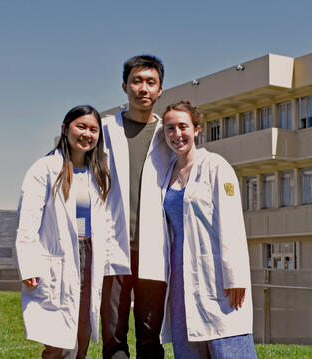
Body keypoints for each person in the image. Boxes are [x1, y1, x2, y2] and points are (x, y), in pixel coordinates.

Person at [15, 105, 115, 359]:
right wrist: (29, 266)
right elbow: (27, 220)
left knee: (82, 331)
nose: (87, 134)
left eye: (93, 130)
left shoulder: (99, 172)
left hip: (90, 255)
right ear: (64, 128)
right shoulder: (45, 169)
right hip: (59, 256)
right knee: (60, 338)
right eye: (81, 126)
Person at [161, 100, 258, 358]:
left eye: (183, 126)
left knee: (227, 343)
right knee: (188, 343)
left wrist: (235, 276)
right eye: (170, 128)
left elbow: (233, 222)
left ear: (197, 129)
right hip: (180, 274)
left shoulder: (216, 166)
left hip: (215, 273)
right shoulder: (166, 172)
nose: (177, 134)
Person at [101, 55, 174, 359]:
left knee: (150, 335)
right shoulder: (104, 130)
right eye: (136, 81)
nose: (143, 88)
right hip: (112, 246)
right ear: (124, 86)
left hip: (153, 249)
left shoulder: (168, 135)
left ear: (159, 89)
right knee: (114, 335)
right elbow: (78, 179)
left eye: (150, 82)